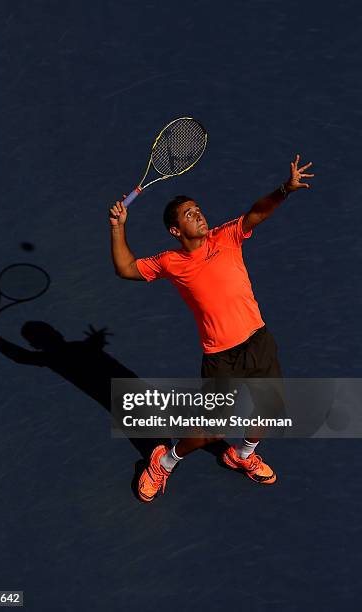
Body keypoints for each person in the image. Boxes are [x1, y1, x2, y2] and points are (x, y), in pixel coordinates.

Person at [109, 154, 314, 502]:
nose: (199, 214)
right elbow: (126, 268)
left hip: (259, 341)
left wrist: (284, 190)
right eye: (189, 214)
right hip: (222, 356)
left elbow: (258, 212)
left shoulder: (228, 236)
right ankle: (164, 462)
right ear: (176, 231)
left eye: (198, 209)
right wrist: (118, 227)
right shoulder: (171, 262)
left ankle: (242, 455)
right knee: (207, 432)